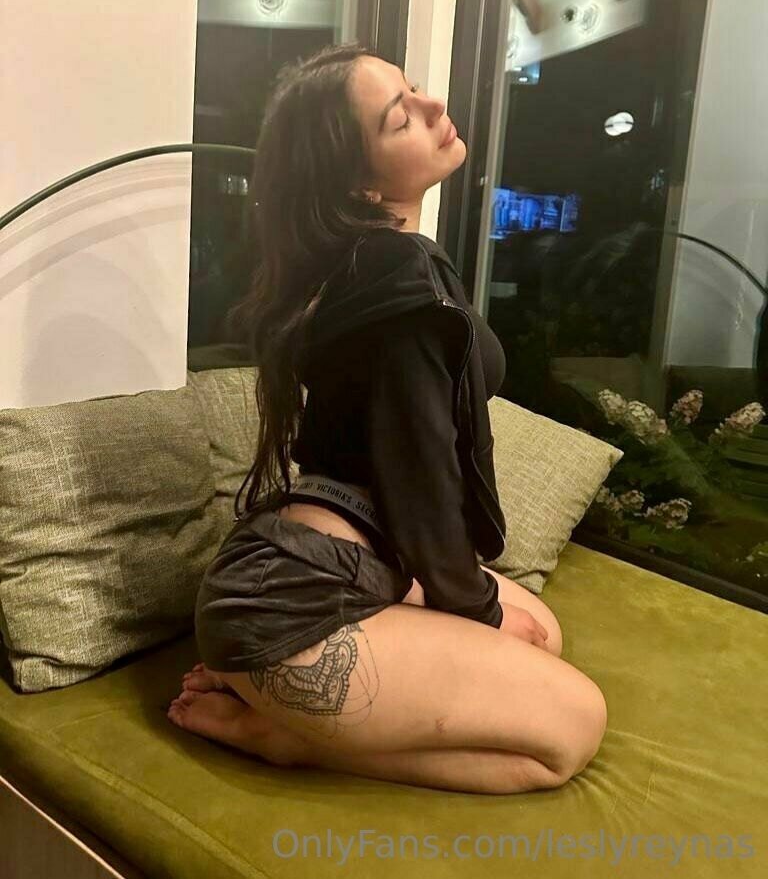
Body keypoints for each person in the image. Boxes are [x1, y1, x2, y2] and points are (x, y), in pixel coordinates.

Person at [167, 43, 607, 794]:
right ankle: (285, 738)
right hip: (289, 607)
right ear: (361, 186)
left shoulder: (381, 259)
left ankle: (283, 708)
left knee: (547, 638)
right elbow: (419, 468)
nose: (434, 107)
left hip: (340, 563)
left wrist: (474, 599)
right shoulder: (392, 273)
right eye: (401, 117)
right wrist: (476, 607)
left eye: (414, 91)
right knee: (570, 733)